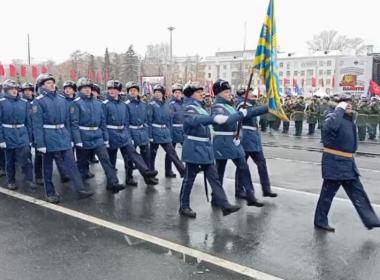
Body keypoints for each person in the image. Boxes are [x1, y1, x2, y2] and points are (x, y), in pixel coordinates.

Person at [314, 95, 380, 232]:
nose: (349, 105)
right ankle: (320, 221)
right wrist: (339, 109)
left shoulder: (348, 120)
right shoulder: (332, 117)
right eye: (345, 104)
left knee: (358, 192)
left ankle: (371, 220)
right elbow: (331, 126)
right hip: (334, 162)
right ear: (338, 106)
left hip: (347, 163)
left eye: (350, 103)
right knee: (327, 195)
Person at [179, 83, 240, 218]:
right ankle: (184, 206)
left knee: (214, 177)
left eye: (202, 91)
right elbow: (195, 120)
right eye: (198, 92)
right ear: (190, 95)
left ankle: (224, 204)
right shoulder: (188, 107)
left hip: (205, 147)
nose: (202, 94)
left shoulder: (201, 107)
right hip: (194, 146)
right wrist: (213, 118)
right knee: (189, 178)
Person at [31, 74, 94, 203]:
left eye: (52, 82)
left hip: (63, 134)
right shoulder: (39, 101)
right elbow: (36, 124)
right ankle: (50, 193)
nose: (52, 85)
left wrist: (70, 137)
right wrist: (40, 143)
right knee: (47, 166)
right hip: (48, 135)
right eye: (48, 83)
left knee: (71, 164)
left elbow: (67, 120)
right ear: (42, 86)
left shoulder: (61, 99)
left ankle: (80, 189)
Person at [211, 79, 264, 207]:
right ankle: (216, 198)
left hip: (234, 141)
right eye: (226, 91)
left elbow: (249, 113)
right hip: (222, 142)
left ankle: (250, 196)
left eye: (230, 91)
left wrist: (267, 108)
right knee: (219, 171)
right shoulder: (217, 106)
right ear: (218, 94)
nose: (230, 94)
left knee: (244, 168)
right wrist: (241, 113)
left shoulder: (230, 106)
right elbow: (227, 121)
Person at [70, 77, 125, 193]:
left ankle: (113, 183)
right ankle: (80, 187)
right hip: (83, 135)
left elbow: (102, 122)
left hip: (97, 135)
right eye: (84, 88)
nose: (87, 90)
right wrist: (77, 140)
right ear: (80, 89)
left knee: (106, 160)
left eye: (89, 88)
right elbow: (74, 124)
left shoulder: (98, 103)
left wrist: (105, 138)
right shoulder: (76, 103)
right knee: (82, 163)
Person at [103, 80, 158, 186]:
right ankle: (111, 183)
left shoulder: (123, 105)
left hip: (123, 134)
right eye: (110, 89)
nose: (112, 91)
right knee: (111, 159)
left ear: (119, 91)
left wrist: (128, 135)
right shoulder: (105, 105)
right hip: (111, 134)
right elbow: (103, 122)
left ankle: (146, 172)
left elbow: (126, 121)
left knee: (132, 154)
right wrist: (106, 138)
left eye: (114, 89)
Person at [235, 88, 277, 198]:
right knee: (242, 166)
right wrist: (268, 107)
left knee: (262, 164)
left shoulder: (251, 103)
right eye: (249, 92)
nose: (252, 94)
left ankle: (266, 189)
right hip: (246, 139)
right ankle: (239, 190)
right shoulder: (241, 104)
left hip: (254, 140)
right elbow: (250, 113)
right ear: (243, 94)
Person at [0, 80, 36, 190]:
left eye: (15, 89)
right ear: (6, 90)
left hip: (22, 133)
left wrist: (29, 137)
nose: (14, 91)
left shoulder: (24, 102)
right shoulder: (1, 102)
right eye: (11, 89)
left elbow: (28, 122)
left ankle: (29, 179)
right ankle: (11, 181)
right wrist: (1, 139)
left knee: (26, 158)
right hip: (8, 133)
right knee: (10, 160)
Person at [147, 84, 185, 177]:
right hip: (155, 132)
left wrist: (169, 131)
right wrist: (150, 135)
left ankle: (182, 171)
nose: (157, 94)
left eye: (159, 92)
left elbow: (169, 120)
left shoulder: (167, 105)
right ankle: (151, 174)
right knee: (152, 155)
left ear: (163, 94)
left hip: (165, 132)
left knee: (172, 152)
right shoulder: (151, 105)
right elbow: (149, 121)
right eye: (156, 92)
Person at [125, 82, 153, 186]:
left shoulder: (143, 104)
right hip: (131, 132)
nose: (133, 92)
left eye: (135, 90)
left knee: (146, 155)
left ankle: (147, 177)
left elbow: (146, 120)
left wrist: (146, 131)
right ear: (128, 92)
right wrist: (128, 136)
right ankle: (129, 177)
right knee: (130, 157)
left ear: (138, 92)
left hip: (142, 131)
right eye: (131, 91)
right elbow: (125, 122)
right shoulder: (126, 105)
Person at [165, 83, 184, 178]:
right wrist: (170, 131)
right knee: (170, 152)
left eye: (179, 92)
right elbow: (169, 119)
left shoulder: (183, 103)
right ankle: (168, 170)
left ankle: (190, 167)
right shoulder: (171, 104)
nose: (177, 94)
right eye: (175, 92)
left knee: (188, 149)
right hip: (173, 130)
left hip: (182, 130)